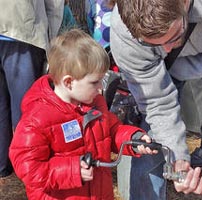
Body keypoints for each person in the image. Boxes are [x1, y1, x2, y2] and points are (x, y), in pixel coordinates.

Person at [109, 0, 202, 199]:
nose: (166, 49)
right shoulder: (124, 35)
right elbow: (157, 103)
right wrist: (177, 161)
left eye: (174, 36)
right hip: (163, 70)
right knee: (152, 147)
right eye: (152, 43)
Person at [9, 29, 158, 200]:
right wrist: (72, 171)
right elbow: (28, 167)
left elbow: (111, 131)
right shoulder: (37, 119)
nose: (100, 88)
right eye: (94, 82)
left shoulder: (95, 103)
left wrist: (133, 139)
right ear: (69, 82)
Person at [0, 0, 64, 179]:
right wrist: (50, 39)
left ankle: (6, 166)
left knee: (21, 109)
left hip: (21, 29)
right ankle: (30, 167)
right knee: (26, 108)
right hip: (22, 30)